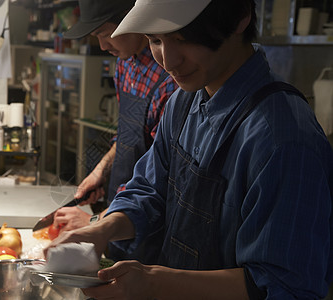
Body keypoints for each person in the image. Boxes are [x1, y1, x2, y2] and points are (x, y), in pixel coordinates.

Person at [46, 0, 333, 298]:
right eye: (155, 40)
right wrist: (102, 230)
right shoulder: (184, 102)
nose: (168, 61)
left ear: (240, 18)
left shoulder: (283, 139)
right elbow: (150, 190)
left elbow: (285, 286)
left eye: (183, 39)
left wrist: (153, 281)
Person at [52, 0, 177, 258]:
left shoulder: (172, 79)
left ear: (133, 20)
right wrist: (102, 170)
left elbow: (163, 180)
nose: (102, 46)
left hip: (149, 226)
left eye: (106, 34)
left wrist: (97, 223)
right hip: (116, 211)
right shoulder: (125, 65)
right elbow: (127, 135)